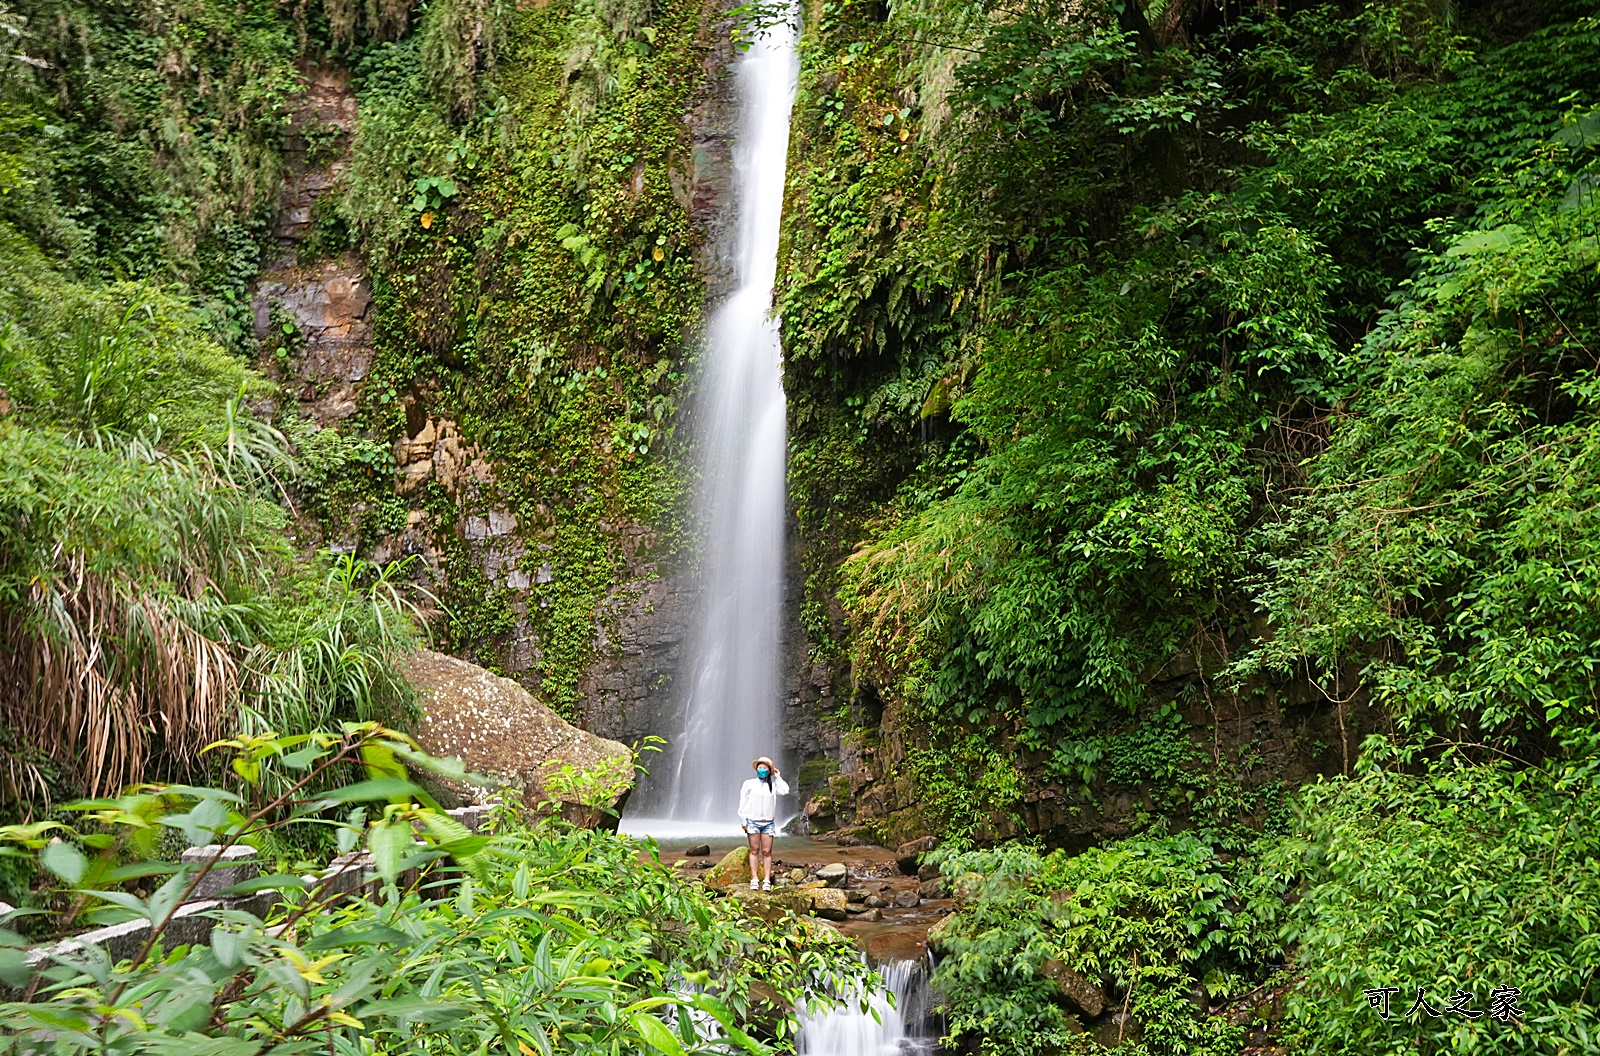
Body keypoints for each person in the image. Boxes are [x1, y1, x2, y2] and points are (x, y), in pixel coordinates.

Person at [738, 756, 788, 890]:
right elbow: (743, 802)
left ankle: (766, 880)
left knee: (767, 852)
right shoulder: (749, 784)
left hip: (768, 823)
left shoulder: (773, 786)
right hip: (752, 822)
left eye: (765, 768)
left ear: (769, 770)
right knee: (754, 850)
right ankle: (754, 879)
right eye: (760, 767)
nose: (762, 770)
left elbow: (785, 790)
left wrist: (778, 777)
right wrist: (743, 819)